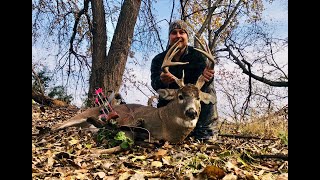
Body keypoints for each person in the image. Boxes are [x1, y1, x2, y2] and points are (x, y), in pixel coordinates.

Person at [150, 20, 218, 141]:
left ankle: (206, 131)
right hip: (172, 103)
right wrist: (162, 80)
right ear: (170, 36)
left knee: (208, 89)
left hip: (193, 100)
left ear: (187, 36)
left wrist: (207, 77)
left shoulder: (198, 56)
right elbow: (155, 85)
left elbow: (204, 84)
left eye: (182, 32)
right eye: (174, 33)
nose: (178, 36)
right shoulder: (159, 59)